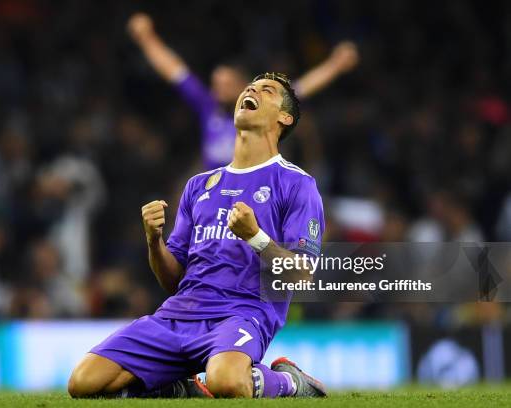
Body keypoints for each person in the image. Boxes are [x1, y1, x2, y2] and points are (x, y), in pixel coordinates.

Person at [68, 72, 326, 399]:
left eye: (267, 90)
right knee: (84, 383)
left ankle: (291, 382)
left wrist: (256, 237)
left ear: (284, 118)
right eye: (251, 86)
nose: (251, 89)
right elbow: (173, 279)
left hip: (242, 313)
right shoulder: (200, 185)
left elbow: (302, 275)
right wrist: (153, 240)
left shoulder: (296, 184)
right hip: (180, 313)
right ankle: (177, 387)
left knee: (228, 384)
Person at [127, 12, 358, 169]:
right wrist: (147, 38)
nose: (217, 89)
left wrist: (336, 65)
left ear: (243, 86)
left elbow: (302, 87)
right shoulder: (209, 107)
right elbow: (174, 70)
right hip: (216, 205)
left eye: (225, 84)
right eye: (215, 83)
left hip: (254, 203)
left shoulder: (265, 108)